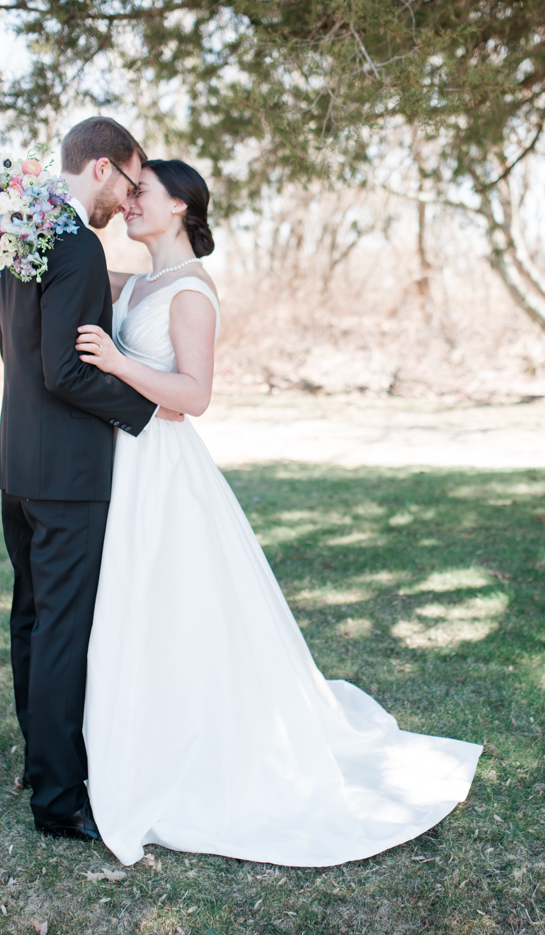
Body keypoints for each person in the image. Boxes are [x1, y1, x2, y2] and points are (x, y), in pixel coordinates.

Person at [73, 158, 482, 867]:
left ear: (180, 208)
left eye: (142, 194)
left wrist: (114, 361)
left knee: (174, 608)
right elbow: (70, 267)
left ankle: (185, 752)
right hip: (127, 463)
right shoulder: (138, 280)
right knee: (136, 609)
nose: (129, 203)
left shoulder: (193, 292)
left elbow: (192, 395)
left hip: (164, 467)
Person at [0, 116, 181, 842]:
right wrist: (147, 405)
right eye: (130, 181)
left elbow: (17, 351)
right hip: (69, 471)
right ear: (100, 168)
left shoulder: (18, 235)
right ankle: (60, 798)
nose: (129, 198)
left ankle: (42, 766)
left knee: (32, 620)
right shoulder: (73, 244)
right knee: (63, 629)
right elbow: (65, 369)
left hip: (19, 460)